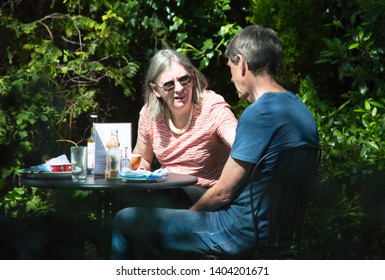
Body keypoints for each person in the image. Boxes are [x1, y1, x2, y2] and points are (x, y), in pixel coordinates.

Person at [110, 25, 319, 259]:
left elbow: (223, 193)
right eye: (169, 84)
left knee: (125, 220)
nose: (230, 78)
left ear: (241, 63)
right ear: (156, 90)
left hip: (235, 230)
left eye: (230, 69)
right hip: (277, 231)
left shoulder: (257, 114)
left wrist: (190, 217)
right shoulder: (301, 111)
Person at [131, 49, 237, 203]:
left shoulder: (211, 107)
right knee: (125, 199)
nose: (179, 89)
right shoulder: (150, 113)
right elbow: (142, 158)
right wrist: (139, 171)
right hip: (164, 188)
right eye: (169, 84)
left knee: (166, 197)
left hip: (205, 193)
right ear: (156, 90)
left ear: (193, 78)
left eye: (184, 79)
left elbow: (241, 146)